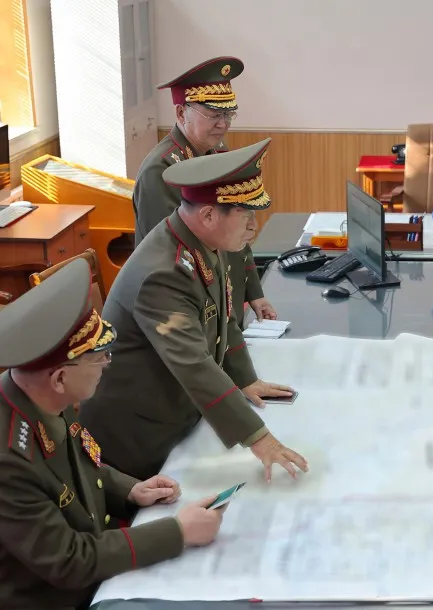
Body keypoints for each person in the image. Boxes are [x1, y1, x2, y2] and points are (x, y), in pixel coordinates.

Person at [0, 258, 225, 610]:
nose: (108, 363)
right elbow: (69, 559)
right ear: (59, 378)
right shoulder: (8, 459)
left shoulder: (38, 395)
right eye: (98, 357)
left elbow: (78, 464)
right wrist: (177, 533)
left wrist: (129, 490)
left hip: (81, 588)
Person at [78, 139, 309, 483]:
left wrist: (245, 378)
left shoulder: (203, 241)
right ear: (208, 214)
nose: (253, 226)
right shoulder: (162, 273)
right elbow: (193, 363)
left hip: (177, 413)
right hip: (138, 438)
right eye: (246, 215)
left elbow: (224, 315)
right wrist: (259, 439)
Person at [131, 56, 277, 326]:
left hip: (224, 301)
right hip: (186, 308)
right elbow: (169, 254)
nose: (223, 124)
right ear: (180, 113)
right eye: (213, 115)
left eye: (228, 114)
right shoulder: (161, 169)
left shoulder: (216, 151)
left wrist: (254, 292)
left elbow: (238, 227)